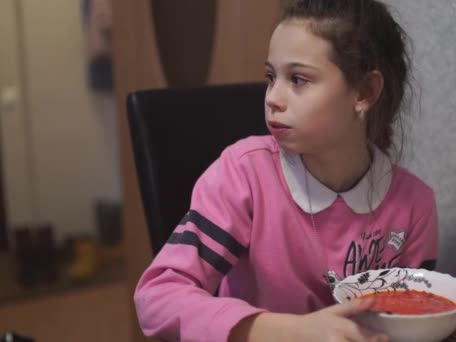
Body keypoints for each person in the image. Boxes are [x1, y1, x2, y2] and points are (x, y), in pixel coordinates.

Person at [134, 0, 438, 341]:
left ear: (365, 92)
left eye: (298, 79)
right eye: (270, 76)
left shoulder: (414, 204)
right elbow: (156, 298)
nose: (271, 98)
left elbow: (410, 320)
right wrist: (294, 332)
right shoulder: (244, 176)